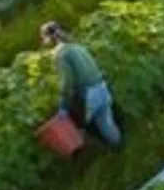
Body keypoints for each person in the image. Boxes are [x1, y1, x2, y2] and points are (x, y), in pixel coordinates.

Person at [41, 20, 123, 149]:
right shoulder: (76, 46)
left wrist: (63, 108)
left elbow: (67, 82)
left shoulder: (61, 54)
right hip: (101, 86)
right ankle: (121, 150)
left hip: (90, 94)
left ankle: (108, 156)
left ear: (49, 39)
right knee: (107, 124)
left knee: (81, 129)